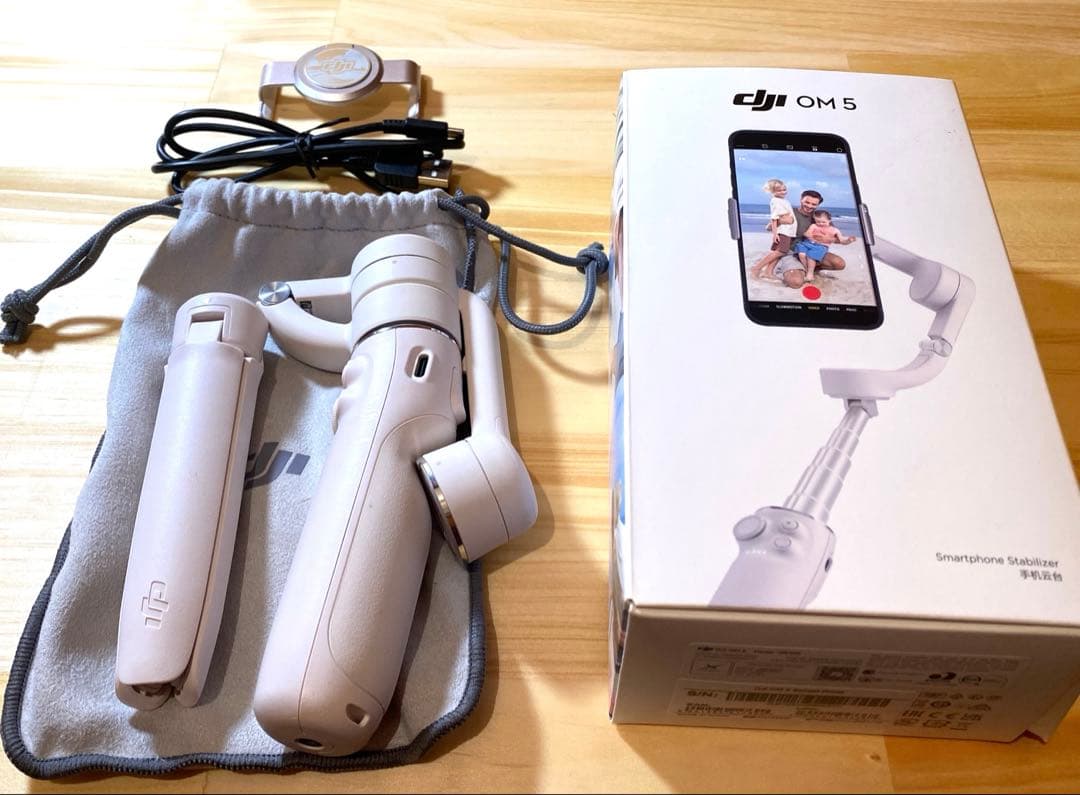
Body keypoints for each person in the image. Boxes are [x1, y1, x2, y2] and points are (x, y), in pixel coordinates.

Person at [753, 190, 847, 289]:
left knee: (839, 263)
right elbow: (769, 228)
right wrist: (781, 221)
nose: (809, 206)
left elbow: (836, 239)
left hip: (812, 250)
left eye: (814, 204)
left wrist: (827, 238)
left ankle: (810, 269)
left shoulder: (819, 217)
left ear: (818, 205)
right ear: (801, 200)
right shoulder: (790, 212)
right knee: (796, 282)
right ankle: (788, 268)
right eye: (807, 202)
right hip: (790, 252)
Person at [749, 179, 797, 280]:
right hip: (783, 230)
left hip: (788, 230)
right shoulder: (775, 201)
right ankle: (757, 268)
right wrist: (775, 234)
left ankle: (768, 272)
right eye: (779, 191)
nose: (783, 192)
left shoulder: (784, 201)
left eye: (784, 189)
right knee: (781, 251)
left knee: (779, 251)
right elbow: (774, 218)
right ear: (772, 192)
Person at [793, 209, 855, 281]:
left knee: (811, 257)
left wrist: (848, 240)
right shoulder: (814, 226)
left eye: (823, 222)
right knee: (801, 254)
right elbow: (807, 233)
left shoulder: (834, 230)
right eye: (818, 221)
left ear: (829, 220)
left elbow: (842, 240)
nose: (821, 224)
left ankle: (810, 274)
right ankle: (806, 268)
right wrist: (811, 235)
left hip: (820, 246)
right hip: (808, 243)